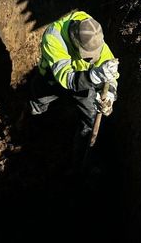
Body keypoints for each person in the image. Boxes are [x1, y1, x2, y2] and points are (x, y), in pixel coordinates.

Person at [29, 10, 119, 165]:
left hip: (83, 80)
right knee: (38, 102)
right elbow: (66, 78)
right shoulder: (54, 36)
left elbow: (111, 75)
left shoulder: (94, 34)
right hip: (52, 78)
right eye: (88, 56)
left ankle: (81, 157)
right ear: (75, 41)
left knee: (90, 116)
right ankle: (32, 130)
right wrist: (94, 76)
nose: (92, 58)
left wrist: (110, 94)